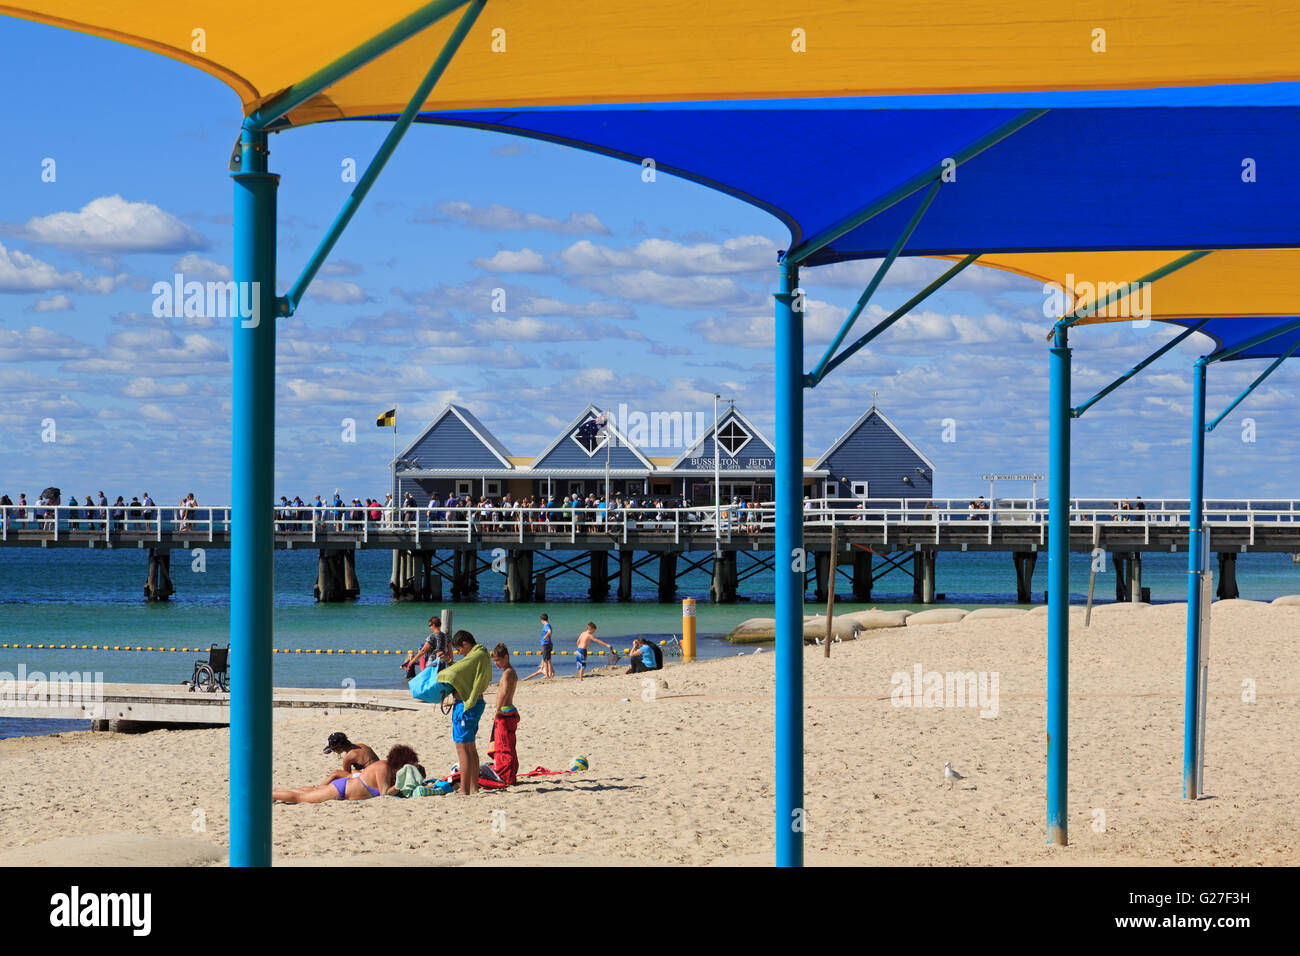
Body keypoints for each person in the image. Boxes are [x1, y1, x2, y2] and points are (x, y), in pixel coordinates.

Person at [434, 630, 493, 795]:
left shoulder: (477, 655)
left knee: (462, 749)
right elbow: (463, 668)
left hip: (466, 706)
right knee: (470, 748)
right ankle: (473, 786)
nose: (460, 653)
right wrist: (450, 661)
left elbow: (456, 671)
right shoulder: (478, 654)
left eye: (460, 649)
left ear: (466, 644)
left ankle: (465, 790)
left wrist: (442, 671)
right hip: (473, 705)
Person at [271, 744, 419, 803]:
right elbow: (385, 793)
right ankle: (270, 795)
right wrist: (400, 784)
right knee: (300, 798)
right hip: (341, 790)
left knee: (311, 790)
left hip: (342, 787)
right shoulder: (383, 768)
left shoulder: (388, 769)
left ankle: (274, 791)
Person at [488, 643, 520, 785]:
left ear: (506, 657)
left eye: (498, 660)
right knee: (508, 744)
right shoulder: (511, 672)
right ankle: (509, 772)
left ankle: (506, 773)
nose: (496, 663)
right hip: (510, 710)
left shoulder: (507, 673)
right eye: (494, 661)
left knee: (503, 746)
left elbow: (505, 691)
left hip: (505, 711)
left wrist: (498, 709)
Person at [522, 612, 554, 681]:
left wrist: (545, 637)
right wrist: (547, 636)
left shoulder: (546, 626)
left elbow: (549, 631)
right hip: (548, 644)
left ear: (542, 620)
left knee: (545, 660)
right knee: (548, 660)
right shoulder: (548, 625)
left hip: (546, 644)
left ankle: (547, 675)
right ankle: (551, 674)